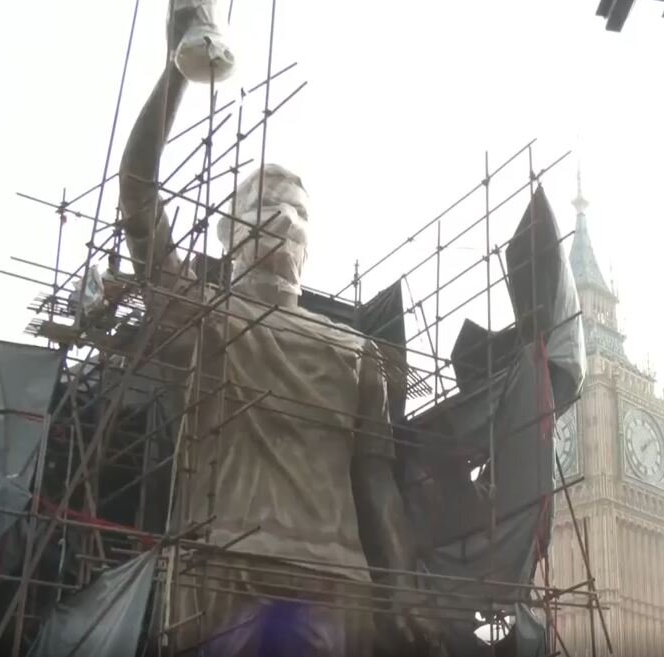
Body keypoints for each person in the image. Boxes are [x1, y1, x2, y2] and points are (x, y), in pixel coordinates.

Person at [117, 5, 422, 655]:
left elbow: (377, 485)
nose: (284, 217)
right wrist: (175, 74)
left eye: (298, 210)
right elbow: (137, 196)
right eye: (264, 205)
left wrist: (401, 591)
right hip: (226, 571)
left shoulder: (356, 353)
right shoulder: (201, 319)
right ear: (227, 234)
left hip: (335, 584)